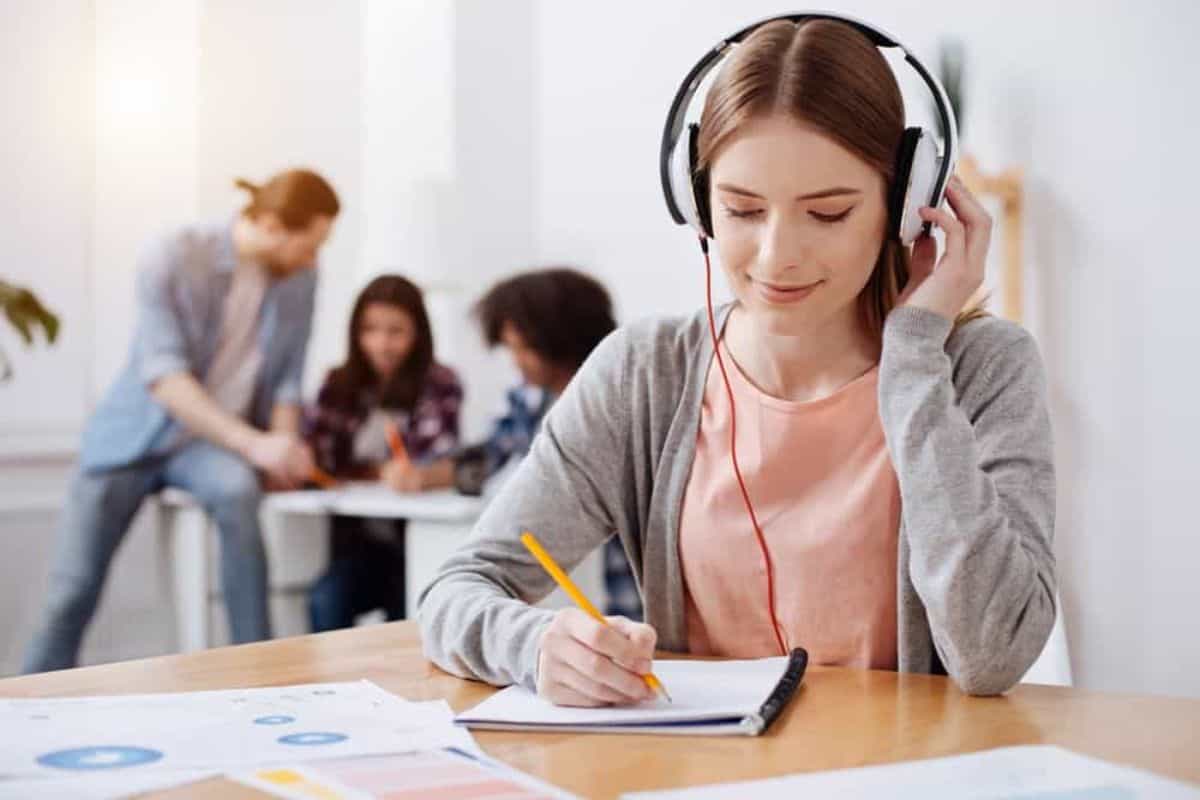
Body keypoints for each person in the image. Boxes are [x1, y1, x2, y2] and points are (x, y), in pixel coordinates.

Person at [418, 15, 1055, 705]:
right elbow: (455, 591)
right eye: (743, 210)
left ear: (906, 205)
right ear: (698, 205)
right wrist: (538, 646)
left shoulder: (982, 369)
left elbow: (993, 654)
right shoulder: (642, 374)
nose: (777, 255)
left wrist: (914, 358)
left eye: (829, 213)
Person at [23, 169, 339, 673]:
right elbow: (164, 377)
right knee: (72, 590)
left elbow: (287, 379)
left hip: (209, 450)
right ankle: (22, 709)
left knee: (238, 492)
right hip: (133, 437)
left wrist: (282, 445)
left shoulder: (300, 279)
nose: (314, 258)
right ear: (275, 225)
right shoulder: (171, 254)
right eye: (311, 244)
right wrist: (256, 446)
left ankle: (261, 673)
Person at [438, 268, 643, 621]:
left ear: (557, 340)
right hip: (548, 601)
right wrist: (430, 474)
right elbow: (489, 454)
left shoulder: (622, 407)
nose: (516, 362)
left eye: (522, 349)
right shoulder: (527, 400)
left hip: (621, 604)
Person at [304, 275, 462, 630]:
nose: (381, 345)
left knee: (406, 612)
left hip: (413, 544)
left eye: (396, 331)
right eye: (370, 330)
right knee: (326, 600)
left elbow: (441, 458)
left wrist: (420, 475)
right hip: (356, 545)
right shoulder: (337, 385)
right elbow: (321, 459)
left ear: (417, 333)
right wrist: (379, 472)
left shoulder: (440, 383)